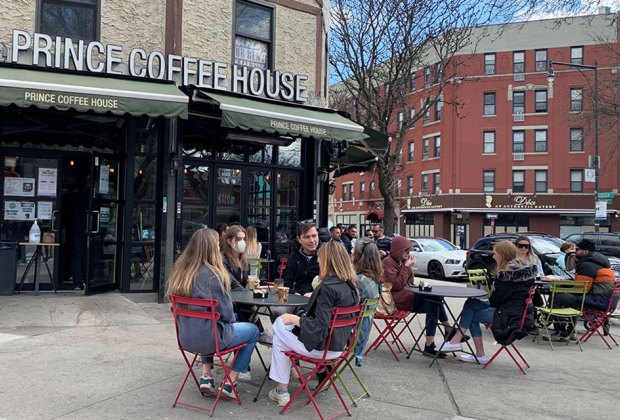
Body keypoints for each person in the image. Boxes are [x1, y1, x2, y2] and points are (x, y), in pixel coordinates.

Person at [165, 228, 259, 398]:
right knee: (253, 331)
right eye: (217, 244)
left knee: (207, 323)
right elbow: (228, 315)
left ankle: (206, 376)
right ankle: (230, 382)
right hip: (210, 339)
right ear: (210, 248)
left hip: (186, 338)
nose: (219, 247)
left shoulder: (180, 273)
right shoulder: (214, 275)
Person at [268, 241, 361, 407]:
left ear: (327, 260)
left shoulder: (327, 288)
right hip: (340, 347)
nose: (318, 262)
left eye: (320, 258)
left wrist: (293, 318)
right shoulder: (351, 286)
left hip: (322, 349)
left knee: (280, 325)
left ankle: (282, 390)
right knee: (282, 336)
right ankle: (282, 389)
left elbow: (318, 326)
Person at [442, 241, 536, 362]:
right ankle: (462, 343)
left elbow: (496, 301)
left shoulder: (506, 276)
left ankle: (467, 346)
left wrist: (489, 290)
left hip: (510, 319)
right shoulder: (523, 271)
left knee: (472, 314)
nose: (493, 256)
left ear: (503, 255)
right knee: (472, 303)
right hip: (520, 314)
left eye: (495, 254)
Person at [383, 236, 453, 358]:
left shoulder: (400, 262)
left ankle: (431, 344)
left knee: (434, 302)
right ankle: (448, 331)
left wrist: (407, 268)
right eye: (406, 251)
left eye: (409, 251)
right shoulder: (387, 262)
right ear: (398, 250)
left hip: (406, 296)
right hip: (394, 300)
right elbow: (396, 285)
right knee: (435, 298)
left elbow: (409, 282)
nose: (408, 253)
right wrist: (407, 267)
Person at [548, 238, 617, 342]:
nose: (575, 252)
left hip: (598, 300)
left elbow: (582, 289)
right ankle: (570, 332)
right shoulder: (598, 262)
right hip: (607, 300)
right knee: (570, 298)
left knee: (557, 297)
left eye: (577, 249)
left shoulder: (587, 265)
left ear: (585, 251)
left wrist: (564, 288)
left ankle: (562, 333)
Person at [221, 226, 271, 359]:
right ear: (229, 240)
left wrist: (254, 284)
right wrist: (250, 302)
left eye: (244, 238)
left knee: (248, 311)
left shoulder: (244, 258)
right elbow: (232, 283)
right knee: (246, 314)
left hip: (241, 298)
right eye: (239, 239)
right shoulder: (223, 258)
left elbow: (246, 280)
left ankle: (257, 329)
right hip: (229, 300)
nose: (242, 242)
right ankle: (259, 331)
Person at [352, 237, 382, 367]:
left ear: (359, 257)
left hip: (349, 338)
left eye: (353, 251)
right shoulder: (374, 279)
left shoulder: (358, 281)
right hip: (361, 338)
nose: (351, 252)